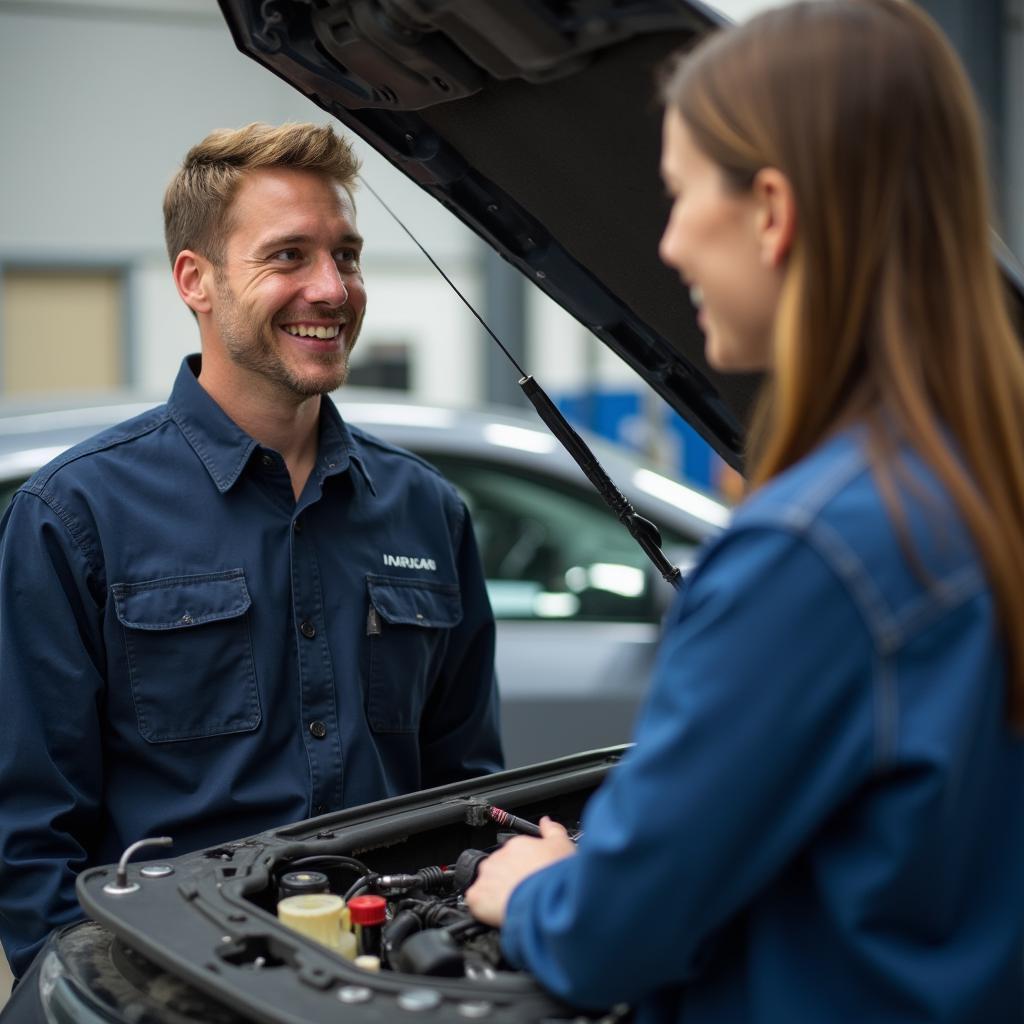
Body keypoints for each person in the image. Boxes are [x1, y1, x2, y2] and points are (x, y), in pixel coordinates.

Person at [466, 2, 1024, 1020]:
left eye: (677, 197)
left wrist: (541, 889)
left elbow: (612, 936)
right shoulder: (983, 482)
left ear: (771, 210)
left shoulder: (813, 549)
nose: (668, 246)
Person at [0, 121, 502, 980]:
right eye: (289, 256)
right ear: (195, 280)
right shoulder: (74, 514)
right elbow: (30, 832)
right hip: (169, 988)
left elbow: (467, 791)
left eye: (346, 254)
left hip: (384, 984)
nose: (332, 288)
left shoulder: (425, 510)